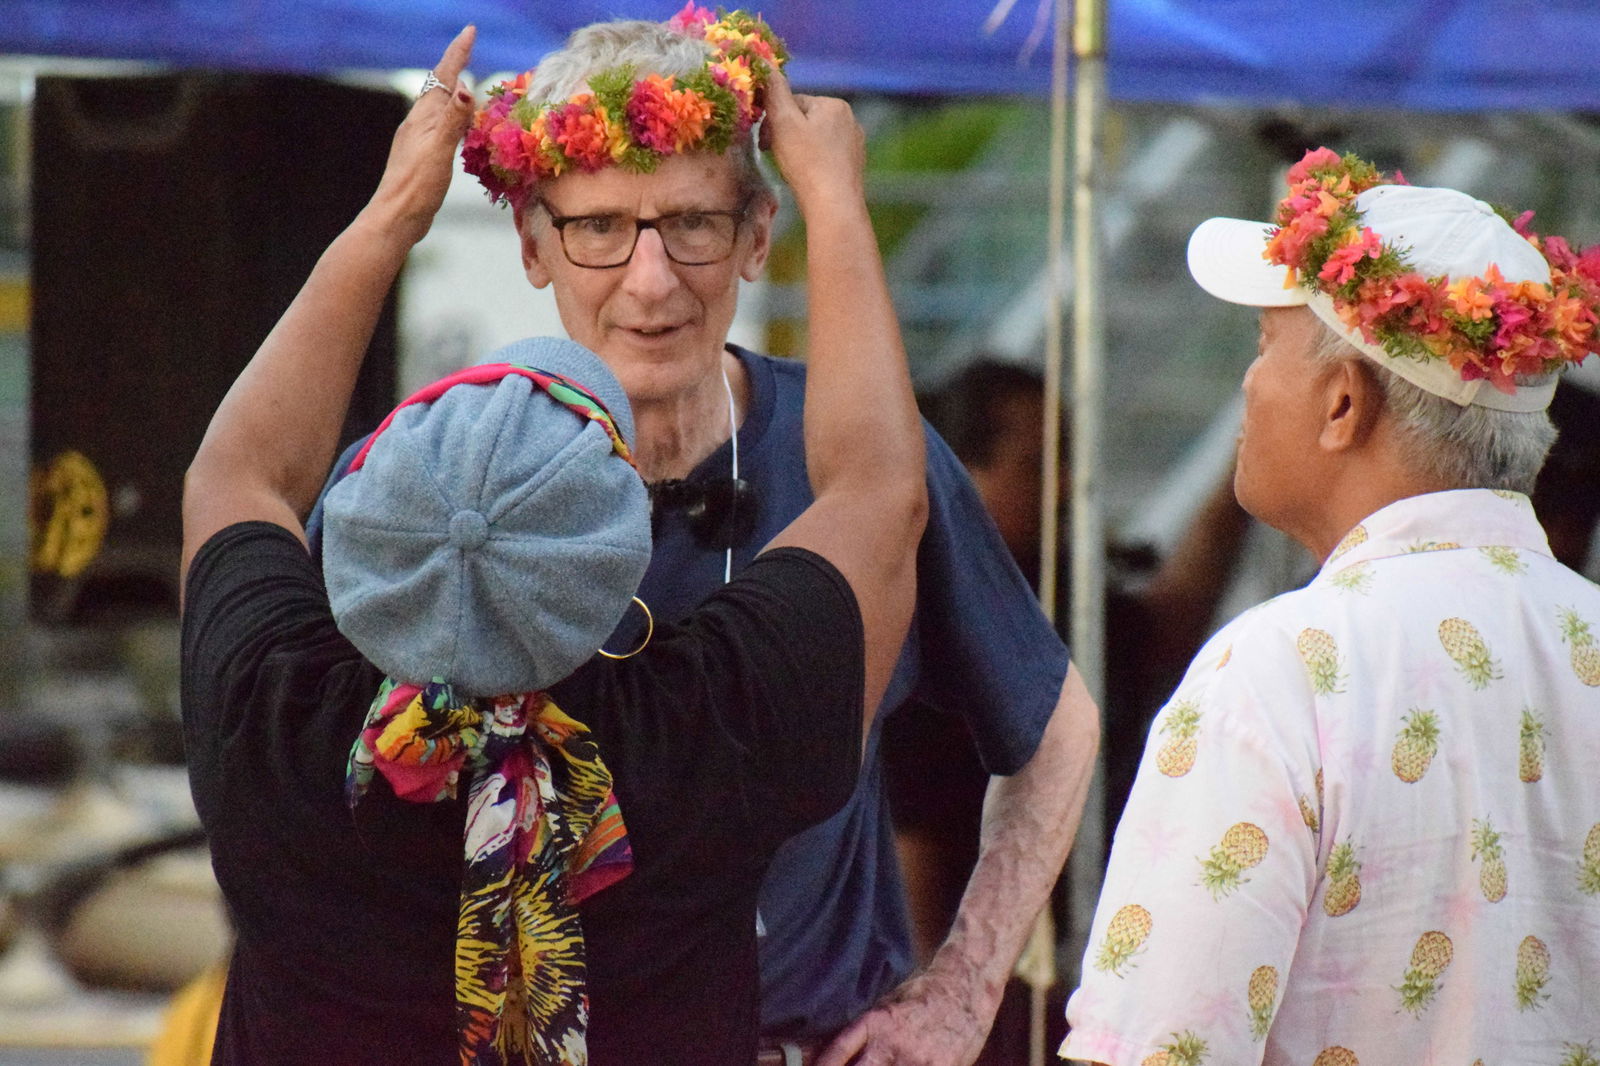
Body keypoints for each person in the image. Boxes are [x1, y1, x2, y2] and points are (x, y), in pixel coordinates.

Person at [309, 12, 1100, 1062]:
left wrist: (960, 987)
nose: (650, 281)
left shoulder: (862, 450)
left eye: (692, 224)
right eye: (598, 228)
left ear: (759, 232)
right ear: (534, 244)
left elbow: (1055, 730)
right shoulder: (431, 474)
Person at [180, 23, 929, 1066]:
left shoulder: (271, 729)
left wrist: (395, 210)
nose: (651, 280)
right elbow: (881, 491)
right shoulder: (710, 730)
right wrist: (838, 201)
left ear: (359, 548)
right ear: (621, 567)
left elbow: (239, 473)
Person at [1061, 148, 1600, 1065]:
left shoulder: (1282, 672)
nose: (1248, 383)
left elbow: (1162, 1046)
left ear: (1343, 404)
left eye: (1265, 346)